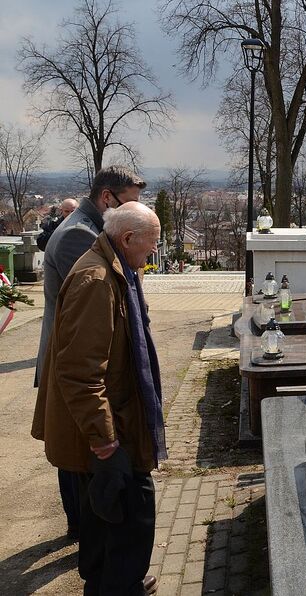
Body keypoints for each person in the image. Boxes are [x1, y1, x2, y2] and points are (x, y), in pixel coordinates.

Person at [32, 202, 164, 595]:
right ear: (126, 239)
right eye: (150, 245)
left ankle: (105, 582)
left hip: (116, 422)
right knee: (131, 514)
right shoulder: (97, 279)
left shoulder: (114, 269)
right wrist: (105, 441)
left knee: (102, 516)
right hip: (111, 431)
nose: (152, 254)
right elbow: (80, 372)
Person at [35, 166, 145, 542]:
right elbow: (93, 310)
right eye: (131, 201)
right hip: (73, 361)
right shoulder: (80, 236)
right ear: (107, 198)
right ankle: (85, 534)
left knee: (83, 451)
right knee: (78, 455)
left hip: (79, 360)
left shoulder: (89, 228)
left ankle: (88, 536)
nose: (136, 209)